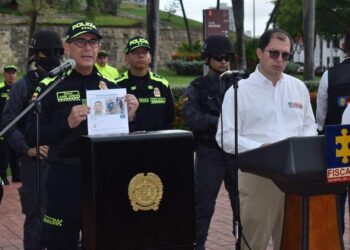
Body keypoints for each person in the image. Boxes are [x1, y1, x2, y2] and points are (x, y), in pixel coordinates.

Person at [25, 20, 138, 250]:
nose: (88, 48)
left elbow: (123, 139)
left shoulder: (110, 85)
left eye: (93, 42)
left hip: (102, 179)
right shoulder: (49, 85)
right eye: (80, 42)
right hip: (63, 179)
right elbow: (30, 135)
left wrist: (132, 117)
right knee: (60, 243)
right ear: (67, 47)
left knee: (102, 241)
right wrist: (67, 122)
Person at [216, 28, 317, 250]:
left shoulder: (298, 87)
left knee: (293, 242)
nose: (280, 60)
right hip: (258, 177)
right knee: (253, 243)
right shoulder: (239, 90)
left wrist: (300, 148)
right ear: (259, 53)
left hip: (296, 178)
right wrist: (262, 149)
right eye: (274, 53)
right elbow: (224, 136)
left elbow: (310, 126)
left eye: (285, 55)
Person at [1, 30, 64, 250]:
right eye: (44, 53)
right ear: (35, 56)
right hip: (34, 164)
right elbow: (8, 123)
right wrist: (27, 148)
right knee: (36, 218)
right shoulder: (23, 85)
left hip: (65, 162)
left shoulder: (67, 80)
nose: (50, 57)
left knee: (66, 217)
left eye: (54, 53)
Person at [181, 35, 236, 250]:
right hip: (209, 151)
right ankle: (197, 244)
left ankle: (244, 242)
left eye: (227, 57)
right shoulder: (198, 86)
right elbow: (192, 117)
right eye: (218, 57)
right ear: (207, 58)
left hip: (235, 152)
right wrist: (222, 122)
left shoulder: (240, 84)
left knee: (242, 205)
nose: (224, 61)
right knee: (203, 204)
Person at [316, 28, 350, 235]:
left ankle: (336, 241)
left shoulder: (330, 75)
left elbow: (321, 116)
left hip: (337, 146)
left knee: (336, 200)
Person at [116, 36, 175, 131]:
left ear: (150, 57)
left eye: (145, 52)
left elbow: (170, 118)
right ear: (126, 58)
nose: (141, 56)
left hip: (158, 142)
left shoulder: (162, 83)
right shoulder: (116, 85)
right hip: (128, 142)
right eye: (135, 52)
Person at [0, 64, 21, 185]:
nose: (11, 75)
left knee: (16, 153)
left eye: (13, 73)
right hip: (2, 127)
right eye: (8, 73)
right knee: (3, 155)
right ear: (4, 74)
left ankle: (17, 176)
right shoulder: (0, 87)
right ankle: (3, 177)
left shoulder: (18, 88)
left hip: (15, 126)